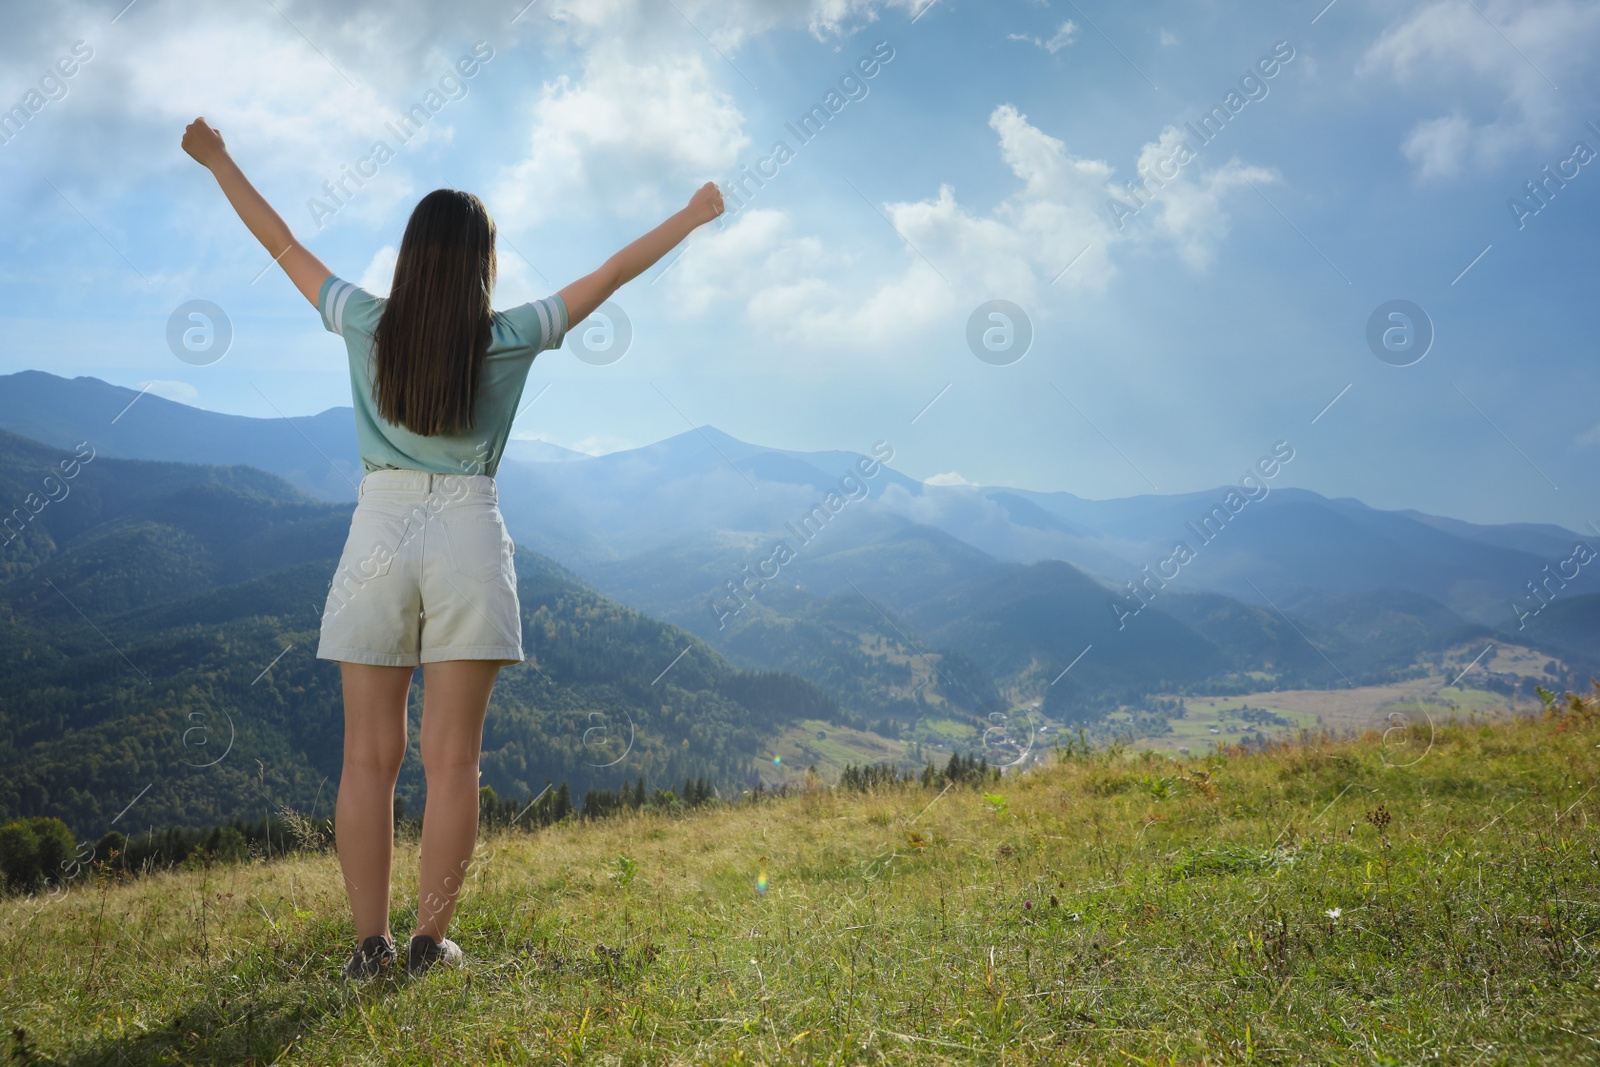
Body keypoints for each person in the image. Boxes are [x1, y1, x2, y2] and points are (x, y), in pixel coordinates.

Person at [181, 116, 723, 979]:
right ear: (481, 263)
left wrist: (217, 159)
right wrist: (693, 213)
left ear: (410, 255)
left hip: (377, 529)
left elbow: (280, 240)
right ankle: (430, 944)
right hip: (470, 526)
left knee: (367, 756)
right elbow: (612, 271)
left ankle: (370, 945)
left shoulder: (363, 322)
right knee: (454, 758)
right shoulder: (511, 336)